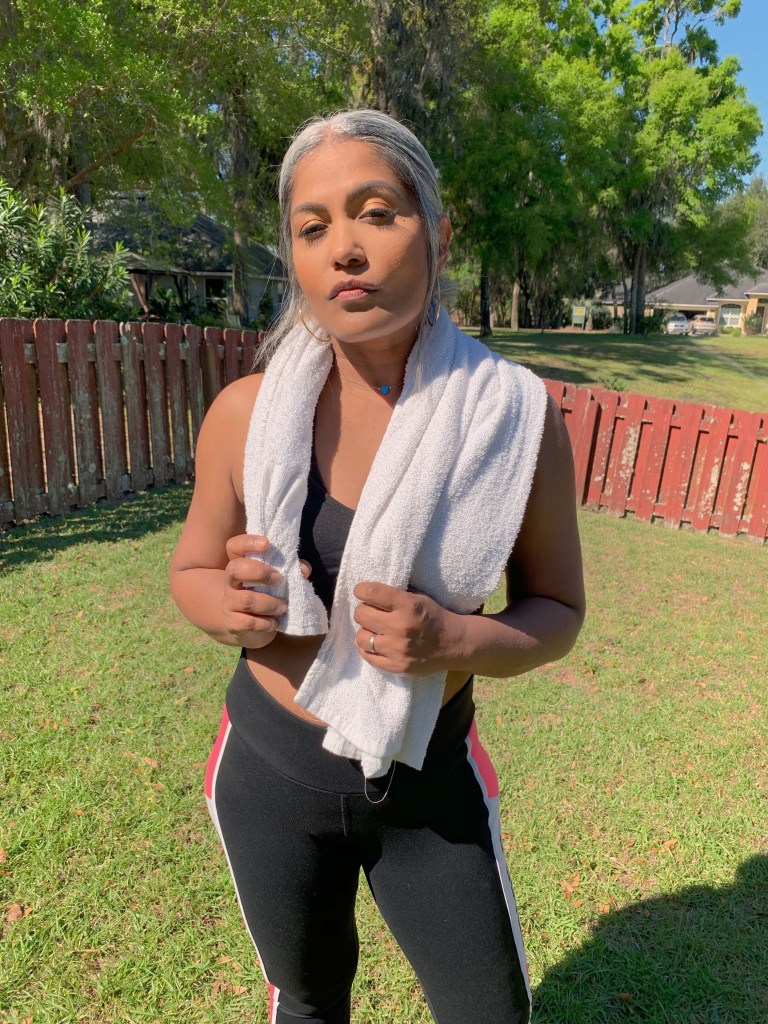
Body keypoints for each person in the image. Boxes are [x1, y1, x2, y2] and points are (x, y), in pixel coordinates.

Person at [169, 108, 585, 1024]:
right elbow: (191, 570)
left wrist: (455, 640)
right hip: (268, 775)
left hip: (426, 782)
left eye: (377, 213)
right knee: (308, 1001)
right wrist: (225, 607)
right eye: (312, 227)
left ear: (437, 233)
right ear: (294, 256)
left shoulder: (515, 420)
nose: (345, 249)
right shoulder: (245, 414)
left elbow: (558, 611)